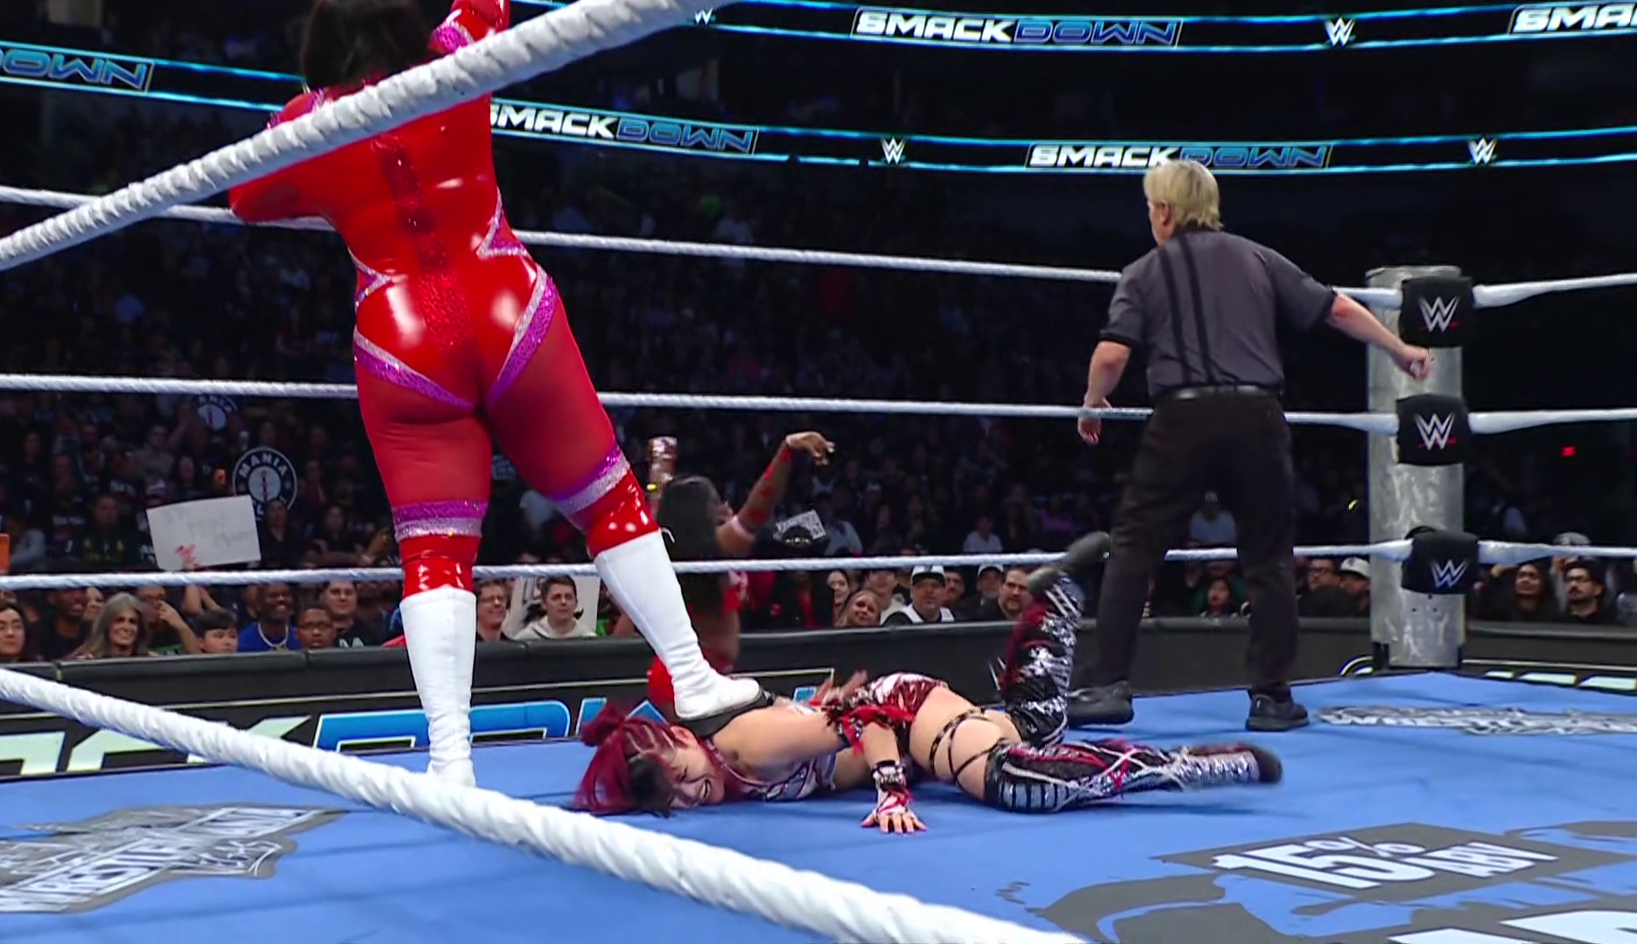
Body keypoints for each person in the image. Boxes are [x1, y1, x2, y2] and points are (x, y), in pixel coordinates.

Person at [226, 0, 756, 786]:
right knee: (610, 502)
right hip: (507, 304)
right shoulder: (455, 58)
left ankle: (451, 756)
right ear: (402, 27)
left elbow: (244, 200)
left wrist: (328, 177)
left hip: (400, 336)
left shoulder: (308, 126)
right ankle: (691, 672)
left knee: (435, 552)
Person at [1068, 159, 1433, 733]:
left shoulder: (1144, 270)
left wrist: (1092, 403)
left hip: (1183, 417)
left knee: (1135, 548)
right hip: (1257, 416)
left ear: (1163, 212)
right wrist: (1399, 350)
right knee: (1267, 557)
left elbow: (1112, 355)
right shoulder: (1257, 257)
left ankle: (1106, 684)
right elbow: (1338, 308)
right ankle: (1271, 698)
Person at [574, 534, 1280, 824]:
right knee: (1033, 729)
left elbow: (867, 718)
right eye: (678, 798)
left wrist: (890, 792)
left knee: (1014, 781)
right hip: (903, 727)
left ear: (676, 737)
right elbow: (828, 722)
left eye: (680, 774)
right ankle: (1054, 605)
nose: (693, 792)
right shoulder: (728, 756)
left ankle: (1194, 767)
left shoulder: (741, 747)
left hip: (902, 718)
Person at [630, 432, 833, 716]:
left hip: (683, 676)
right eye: (714, 503)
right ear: (699, 515)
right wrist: (786, 450)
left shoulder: (664, 548)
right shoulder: (716, 548)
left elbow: (659, 498)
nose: (723, 507)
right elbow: (759, 507)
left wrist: (661, 461)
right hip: (699, 680)